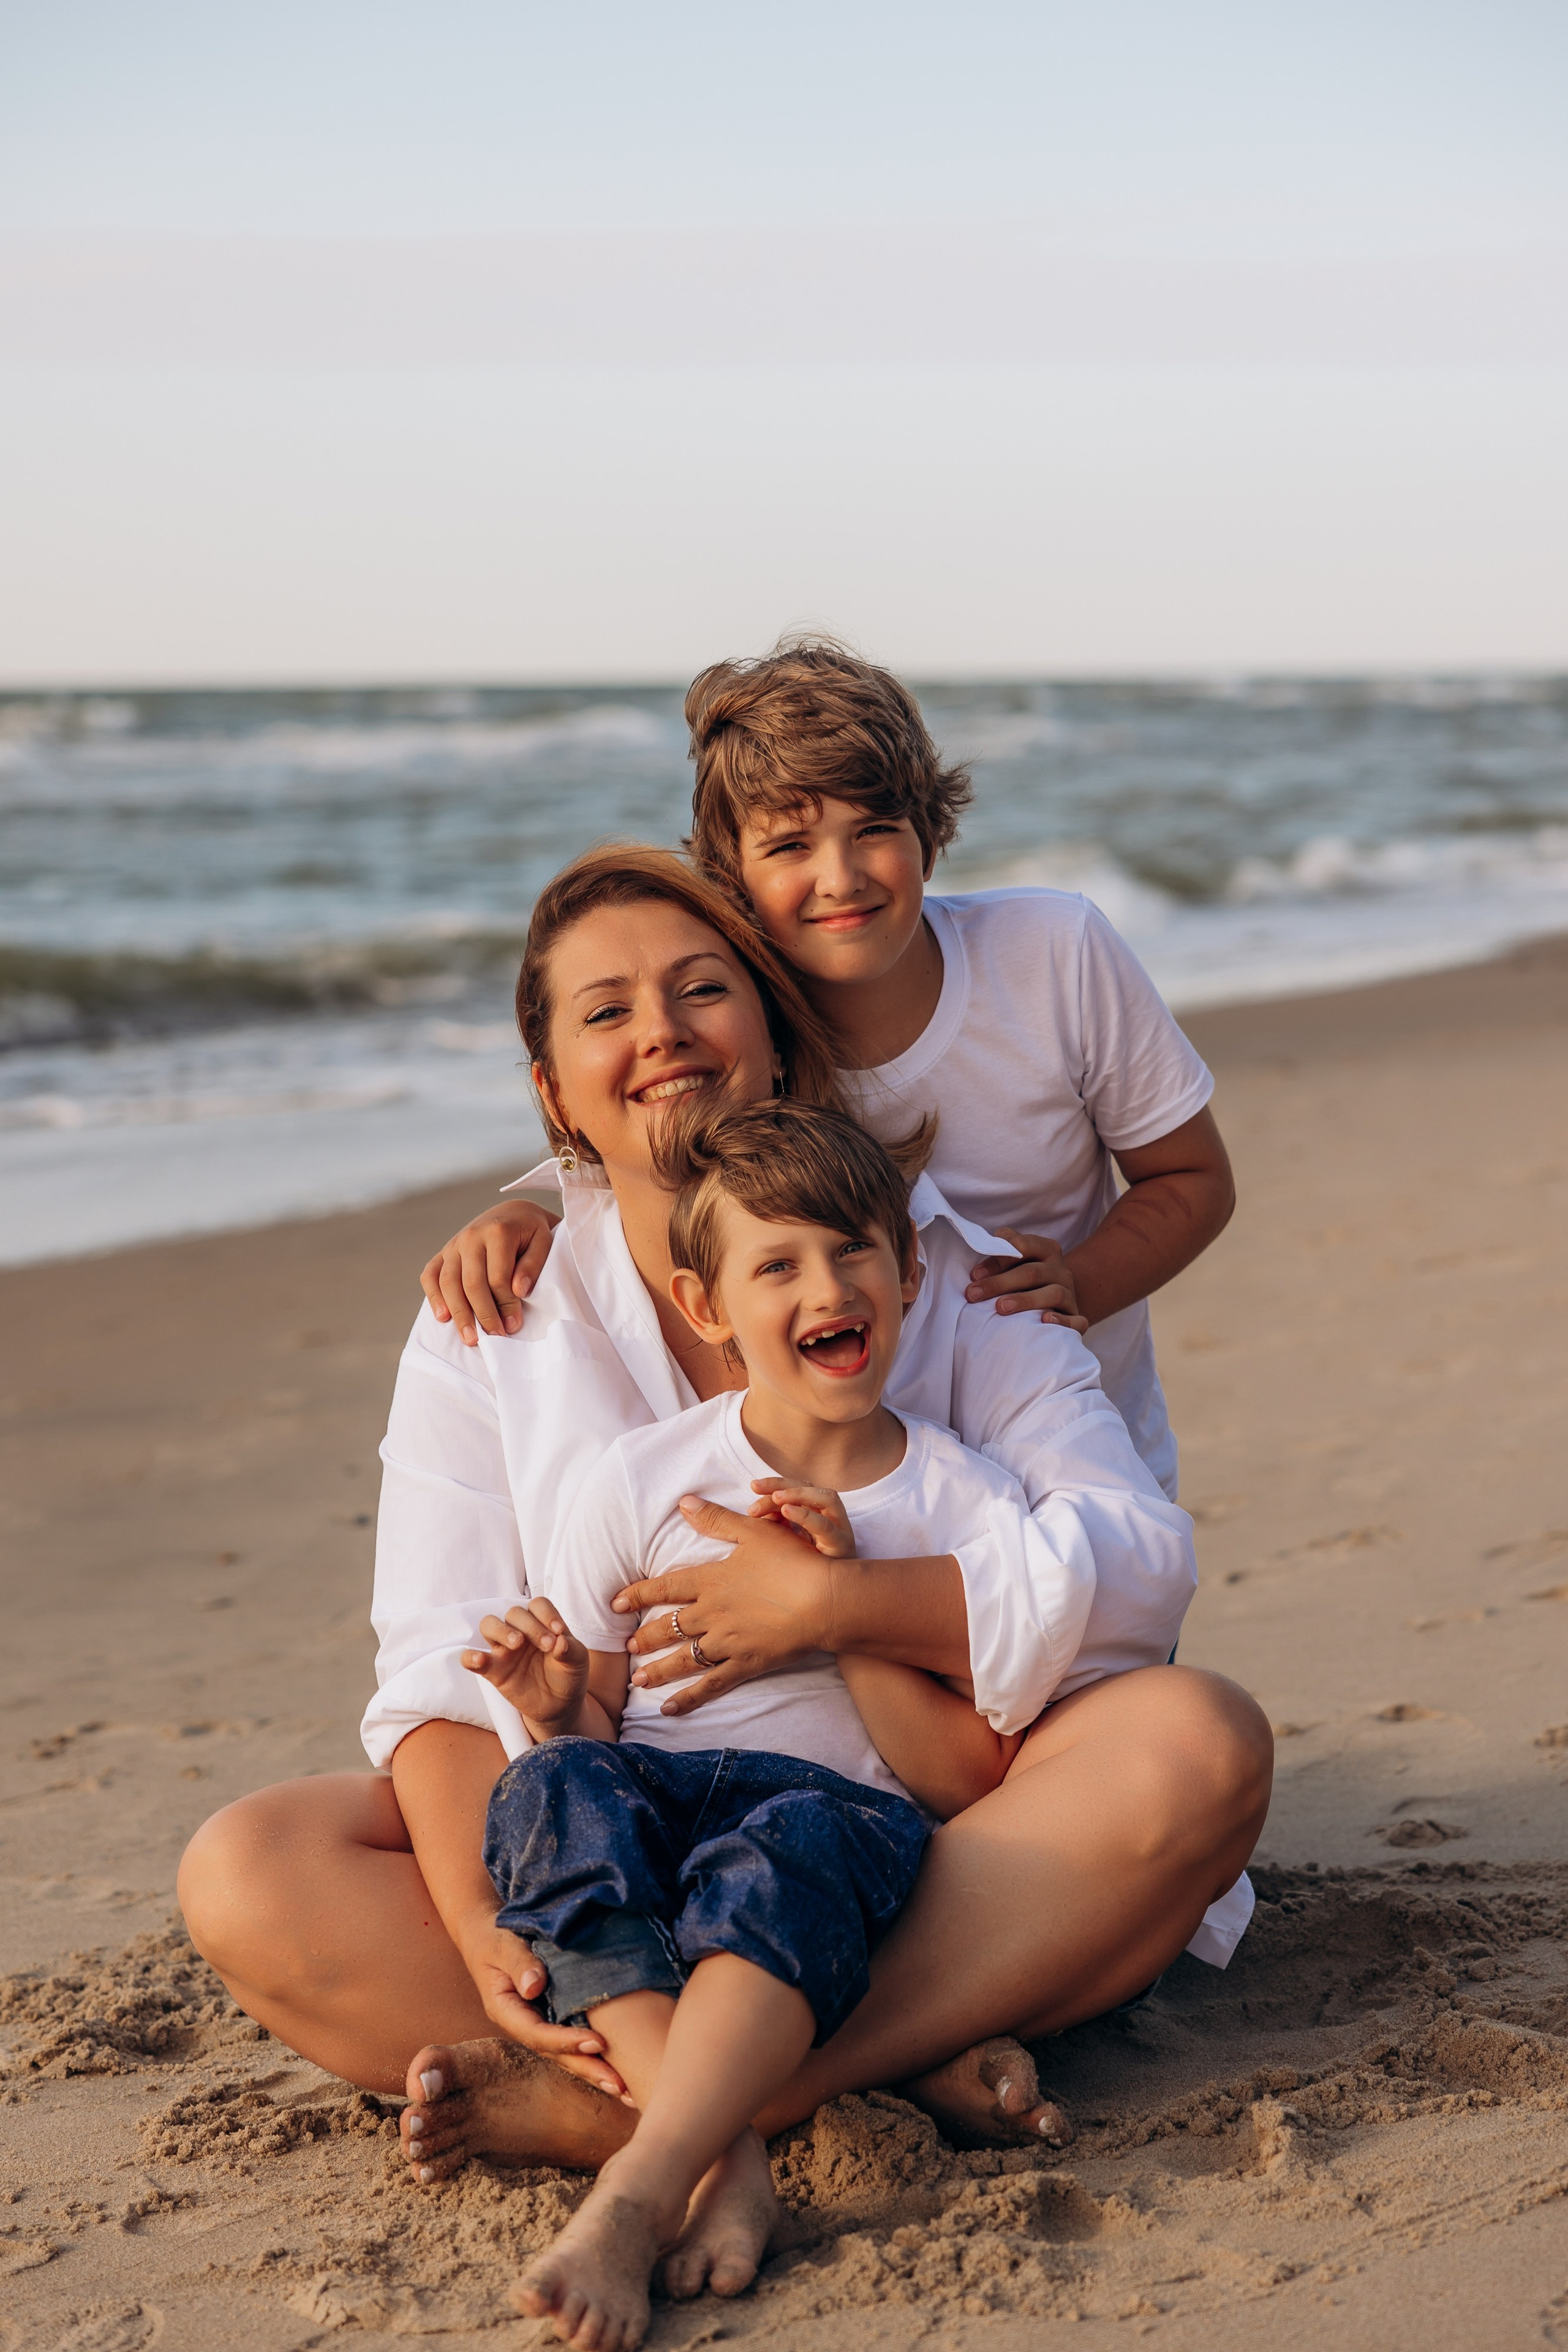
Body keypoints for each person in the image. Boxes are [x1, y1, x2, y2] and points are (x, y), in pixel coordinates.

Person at [178, 845, 1270, 2310]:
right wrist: (495, 1932)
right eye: (605, 1013)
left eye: (701, 991)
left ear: (772, 1029)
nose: (661, 1035)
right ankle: (817, 2089)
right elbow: (439, 1668)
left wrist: (841, 1607)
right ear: (554, 1092)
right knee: (250, 1871)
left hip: (909, 1849)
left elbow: (1135, 1568)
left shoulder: (931, 1270)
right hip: (622, 1857)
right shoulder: (491, 1315)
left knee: (1196, 1744)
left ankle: (651, 2125)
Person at [468, 1096, 1063, 2345]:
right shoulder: (639, 1480)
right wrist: (551, 1707)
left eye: (851, 1251)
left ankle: (640, 2185)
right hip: (661, 1808)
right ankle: (721, 2155)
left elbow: (965, 1780)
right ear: (707, 1307)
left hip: (829, 1821)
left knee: (782, 1849)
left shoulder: (962, 1502)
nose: (825, 1287)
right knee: (542, 1790)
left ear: (907, 1272)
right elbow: (598, 1728)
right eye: (776, 1265)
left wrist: (841, 1613)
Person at [424, 639, 1234, 1501]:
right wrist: (533, 1219)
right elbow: (659, 1167)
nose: (839, 878)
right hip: (879, 1478)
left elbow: (1192, 1178)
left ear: (930, 835)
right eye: (790, 846)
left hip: (1074, 1443)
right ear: (729, 873)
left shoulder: (1053, 953)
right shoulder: (741, 1027)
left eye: (874, 830)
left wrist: (1078, 1285)